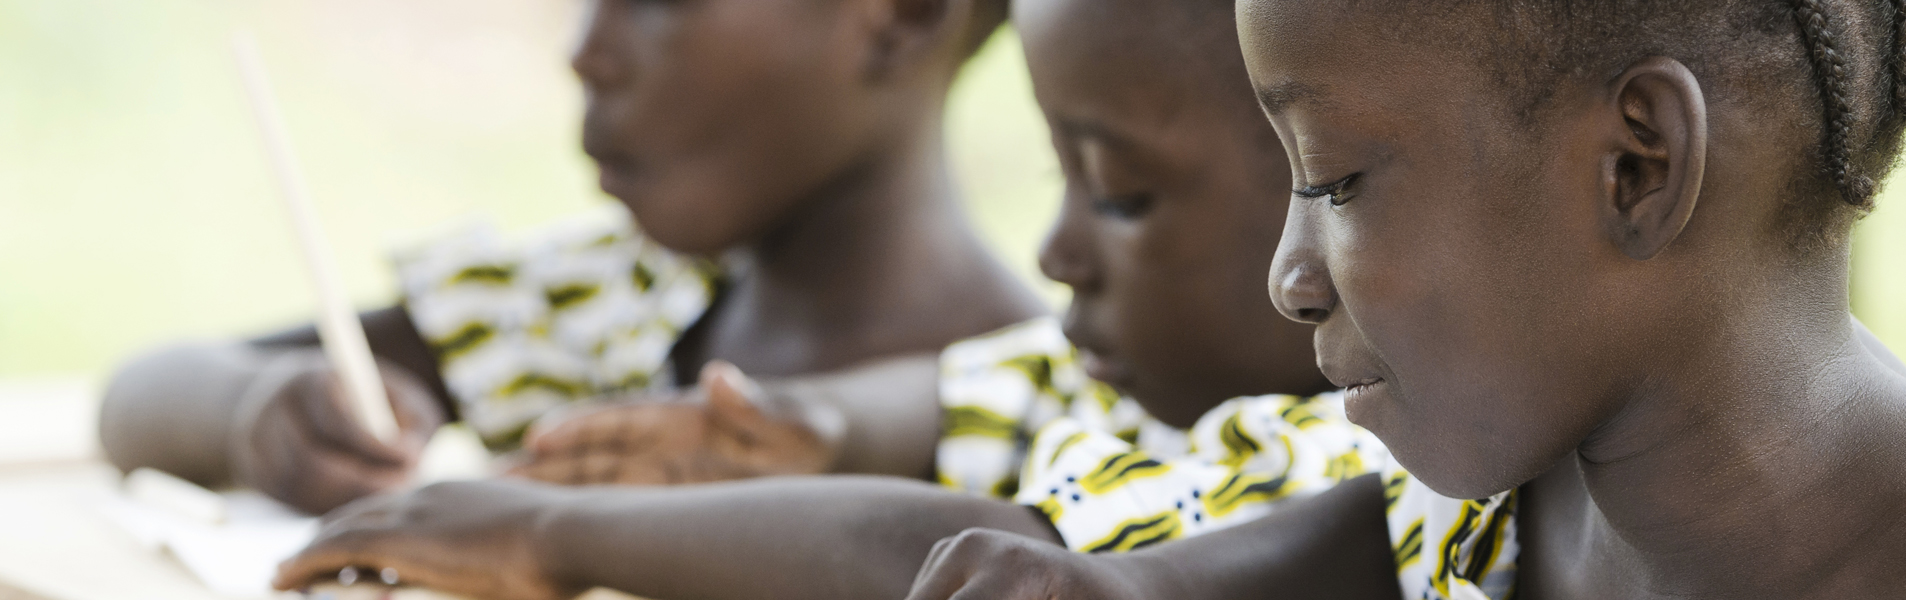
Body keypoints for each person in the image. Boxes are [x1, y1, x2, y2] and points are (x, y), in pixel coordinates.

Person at [268, 0, 1389, 597]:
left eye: (1123, 197)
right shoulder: (1099, 376)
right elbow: (951, 394)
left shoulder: (1376, 469)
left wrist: (559, 534)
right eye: (1059, 182)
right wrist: (818, 430)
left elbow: (1005, 561)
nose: (1055, 251)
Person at [899, 0, 1906, 599]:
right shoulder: (1517, 502)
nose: (1288, 281)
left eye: (1335, 181)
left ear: (1634, 167)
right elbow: (1353, 550)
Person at [97, 0, 1046, 514]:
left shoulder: (1060, 428)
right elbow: (141, 398)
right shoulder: (601, 307)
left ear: (908, 14)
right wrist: (258, 417)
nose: (587, 50)